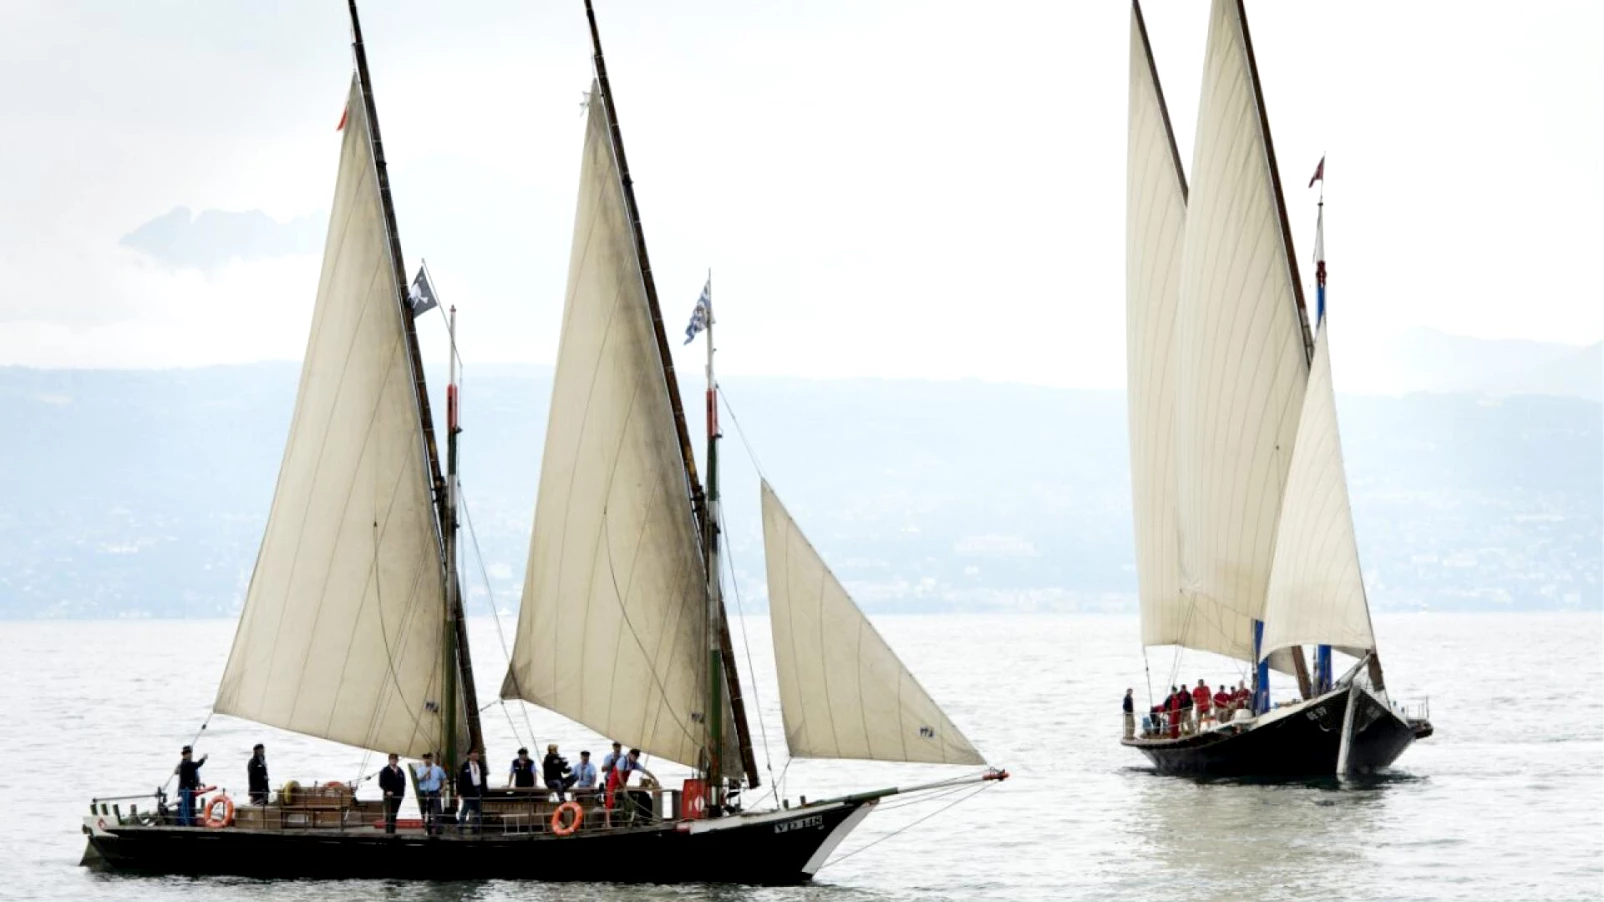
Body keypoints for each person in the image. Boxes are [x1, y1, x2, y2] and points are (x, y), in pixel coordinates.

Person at [617, 749, 657, 823]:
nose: (635, 758)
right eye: (634, 756)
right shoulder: (622, 761)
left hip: (624, 785)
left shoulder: (635, 763)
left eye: (637, 757)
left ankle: (647, 818)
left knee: (644, 795)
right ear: (629, 754)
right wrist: (625, 787)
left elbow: (645, 771)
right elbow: (619, 776)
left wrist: (654, 779)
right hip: (616, 784)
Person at [174, 745, 208, 826]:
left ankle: (190, 821)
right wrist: (203, 758)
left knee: (190, 806)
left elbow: (193, 775)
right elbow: (197, 764)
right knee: (186, 807)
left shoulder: (185, 763)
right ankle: (186, 823)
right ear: (186, 754)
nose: (191, 755)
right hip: (186, 789)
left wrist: (199, 783)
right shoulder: (186, 763)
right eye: (190, 753)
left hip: (190, 789)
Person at [414, 752, 446, 835]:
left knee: (437, 811)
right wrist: (425, 774)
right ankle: (428, 829)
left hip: (435, 792)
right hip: (424, 792)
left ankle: (439, 830)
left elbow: (444, 779)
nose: (427, 760)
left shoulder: (438, 769)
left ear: (431, 759)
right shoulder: (420, 769)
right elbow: (418, 779)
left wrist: (443, 788)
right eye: (425, 758)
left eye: (428, 758)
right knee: (425, 812)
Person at [378, 753, 407, 835]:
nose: (393, 761)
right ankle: (388, 832)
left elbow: (403, 783)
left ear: (397, 760)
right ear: (389, 760)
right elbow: (381, 783)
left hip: (398, 796)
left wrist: (402, 794)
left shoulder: (400, 771)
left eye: (395, 759)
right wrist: (387, 791)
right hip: (388, 797)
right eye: (392, 759)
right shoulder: (385, 770)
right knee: (389, 815)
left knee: (394, 814)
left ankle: (393, 831)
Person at [458, 749, 485, 834]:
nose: (476, 754)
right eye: (474, 753)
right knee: (464, 810)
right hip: (468, 791)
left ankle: (477, 828)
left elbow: (483, 778)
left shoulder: (480, 765)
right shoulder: (465, 766)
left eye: (477, 753)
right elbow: (461, 780)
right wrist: (460, 792)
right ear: (469, 755)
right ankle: (460, 827)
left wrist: (484, 790)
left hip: (478, 789)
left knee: (478, 810)